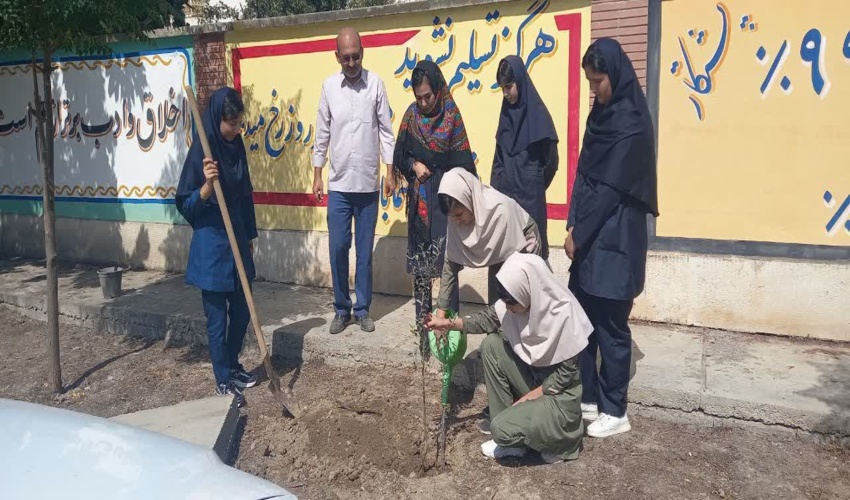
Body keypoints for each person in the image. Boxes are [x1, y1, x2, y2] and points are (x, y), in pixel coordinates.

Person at [564, 38, 658, 438]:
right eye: (589, 81)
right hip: (588, 240)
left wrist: (578, 233)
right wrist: (572, 225)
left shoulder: (633, 125)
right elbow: (584, 177)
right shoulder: (598, 120)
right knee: (582, 321)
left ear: (614, 76)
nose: (593, 90)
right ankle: (589, 398)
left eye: (598, 81)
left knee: (611, 327)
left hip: (616, 241)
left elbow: (608, 191)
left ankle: (615, 409)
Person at [426, 253, 592, 464]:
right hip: (534, 382)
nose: (509, 310)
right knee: (492, 345)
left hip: (558, 399)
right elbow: (487, 320)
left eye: (512, 304)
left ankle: (561, 444)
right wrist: (446, 324)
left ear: (528, 290)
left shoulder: (564, 314)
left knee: (500, 428)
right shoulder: (519, 303)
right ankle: (513, 442)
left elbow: (564, 376)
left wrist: (529, 397)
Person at [176, 87, 259, 408]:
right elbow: (187, 207)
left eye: (239, 123)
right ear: (217, 119)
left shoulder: (236, 146)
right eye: (232, 123)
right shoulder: (202, 151)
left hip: (237, 241)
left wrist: (250, 238)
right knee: (216, 321)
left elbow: (246, 194)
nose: (237, 129)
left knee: (242, 311)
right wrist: (208, 186)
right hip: (212, 249)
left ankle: (233, 363)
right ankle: (223, 379)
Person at [313, 28, 396, 335]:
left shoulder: (375, 84)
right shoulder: (328, 88)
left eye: (356, 56)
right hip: (338, 186)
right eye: (345, 57)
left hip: (368, 186)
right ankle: (340, 308)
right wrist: (317, 173)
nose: (351, 62)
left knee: (364, 252)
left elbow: (386, 132)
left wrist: (390, 171)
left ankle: (361, 310)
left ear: (363, 52)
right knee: (337, 248)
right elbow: (321, 132)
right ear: (337, 57)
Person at [392, 60, 475, 341]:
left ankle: (449, 334)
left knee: (447, 266)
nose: (424, 103)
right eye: (419, 97)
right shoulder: (411, 116)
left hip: (445, 203)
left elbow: (464, 160)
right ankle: (423, 334)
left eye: (428, 96)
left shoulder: (452, 115)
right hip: (420, 203)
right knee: (422, 270)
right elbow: (400, 155)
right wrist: (414, 166)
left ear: (438, 89)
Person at [435, 168, 543, 316]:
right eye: (452, 217)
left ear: (469, 199)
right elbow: (450, 265)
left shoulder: (499, 211)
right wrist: (442, 310)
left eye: (459, 214)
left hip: (522, 244)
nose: (456, 221)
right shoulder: (455, 222)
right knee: (497, 310)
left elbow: (515, 266)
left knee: (520, 302)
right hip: (499, 258)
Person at [492, 55, 559, 264]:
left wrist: (532, 182)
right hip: (506, 206)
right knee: (507, 268)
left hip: (531, 203)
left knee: (533, 265)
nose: (506, 93)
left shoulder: (539, 116)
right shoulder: (505, 117)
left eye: (509, 87)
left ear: (520, 82)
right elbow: (498, 161)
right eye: (502, 88)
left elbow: (551, 163)